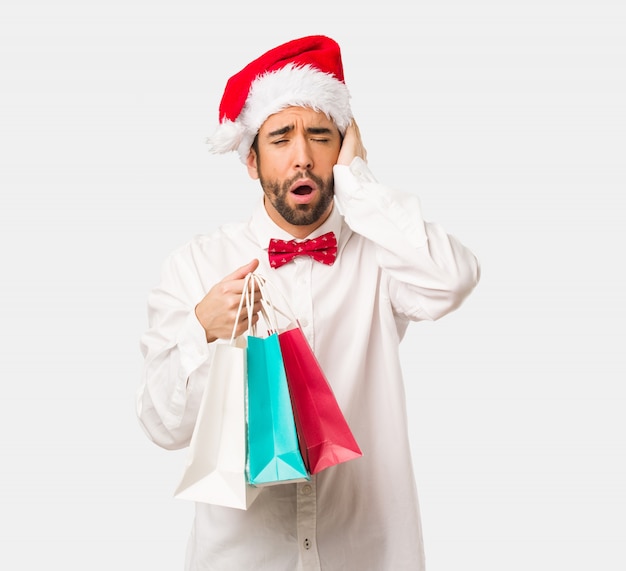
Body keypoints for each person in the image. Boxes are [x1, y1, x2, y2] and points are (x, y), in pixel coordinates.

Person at [137, 35, 480, 571]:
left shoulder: (380, 256)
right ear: (250, 160)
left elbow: (453, 280)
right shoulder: (195, 264)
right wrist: (201, 331)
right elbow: (163, 427)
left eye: (320, 136)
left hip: (368, 556)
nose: (302, 156)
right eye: (280, 138)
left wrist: (359, 185)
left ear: (341, 149)